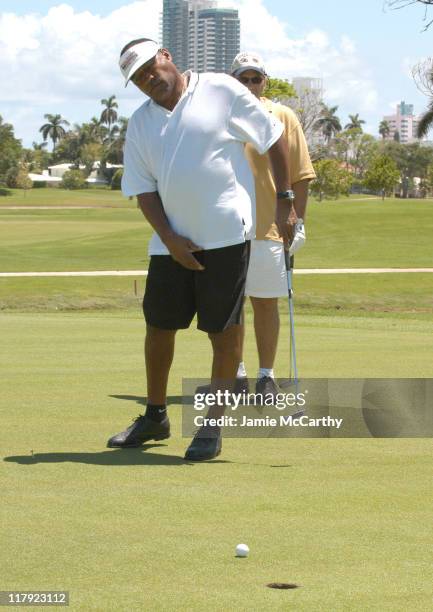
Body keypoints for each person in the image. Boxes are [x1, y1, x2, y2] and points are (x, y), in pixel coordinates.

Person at [106, 38, 295, 461]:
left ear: (167, 57)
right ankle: (156, 416)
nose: (148, 78)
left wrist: (285, 200)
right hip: (168, 243)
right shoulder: (140, 123)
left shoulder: (221, 90)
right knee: (158, 327)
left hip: (226, 236)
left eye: (149, 67)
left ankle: (211, 425)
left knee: (222, 332)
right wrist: (170, 239)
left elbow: (273, 136)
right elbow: (143, 189)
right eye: (137, 77)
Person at [230, 52, 316, 398]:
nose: (249, 85)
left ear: (264, 81)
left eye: (255, 78)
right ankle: (235, 372)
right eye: (243, 79)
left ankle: (266, 375)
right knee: (230, 306)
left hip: (268, 226)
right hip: (225, 228)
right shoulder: (219, 116)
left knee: (265, 303)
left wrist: (298, 220)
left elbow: (301, 174)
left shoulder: (281, 116)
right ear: (232, 80)